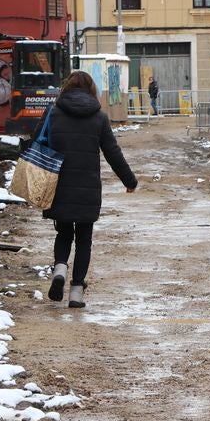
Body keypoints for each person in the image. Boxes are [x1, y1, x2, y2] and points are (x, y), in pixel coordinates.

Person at [42, 70, 137, 309]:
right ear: (91, 90)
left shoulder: (53, 114)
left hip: (59, 185)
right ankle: (76, 294)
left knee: (63, 233)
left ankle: (60, 270)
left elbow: (38, 143)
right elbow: (112, 152)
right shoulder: (99, 117)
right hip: (88, 188)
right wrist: (129, 180)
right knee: (84, 240)